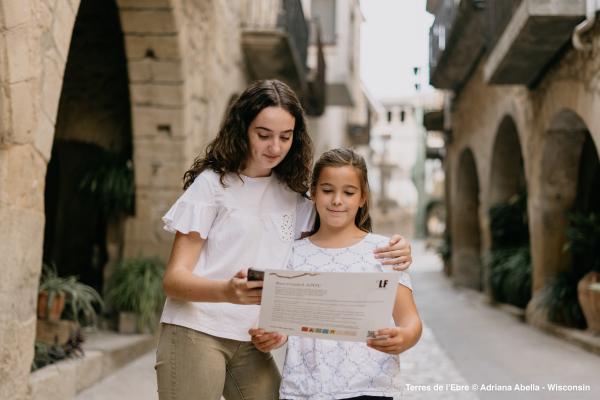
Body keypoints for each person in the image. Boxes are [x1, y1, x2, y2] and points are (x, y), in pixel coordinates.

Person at [155, 80, 413, 400]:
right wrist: (226, 290)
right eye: (263, 135)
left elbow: (338, 239)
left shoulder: (294, 196)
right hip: (196, 328)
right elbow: (174, 280)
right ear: (242, 129)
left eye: (285, 136)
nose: (275, 147)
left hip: (252, 340)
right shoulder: (212, 185)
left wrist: (396, 249)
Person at [250, 148, 422, 400]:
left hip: (369, 387)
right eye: (328, 190)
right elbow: (285, 325)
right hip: (304, 390)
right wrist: (273, 337)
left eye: (349, 192)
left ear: (363, 197)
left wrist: (404, 337)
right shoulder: (292, 254)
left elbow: (411, 321)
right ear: (313, 192)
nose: (337, 200)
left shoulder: (384, 253)